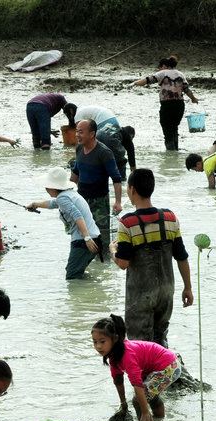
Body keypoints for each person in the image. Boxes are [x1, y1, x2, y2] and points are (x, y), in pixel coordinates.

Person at [110, 169, 193, 347]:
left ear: (131, 190)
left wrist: (112, 251)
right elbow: (181, 257)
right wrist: (188, 287)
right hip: (166, 291)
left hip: (140, 295)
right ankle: (166, 373)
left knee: (140, 347)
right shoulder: (170, 218)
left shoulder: (127, 223)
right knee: (160, 342)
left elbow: (123, 263)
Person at [92, 314, 180, 421]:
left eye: (102, 342)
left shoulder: (127, 355)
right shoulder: (114, 355)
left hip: (169, 367)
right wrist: (123, 406)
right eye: (95, 342)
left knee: (138, 400)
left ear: (115, 338)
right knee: (149, 395)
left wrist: (145, 412)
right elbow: (118, 380)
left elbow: (137, 384)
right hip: (162, 366)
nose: (98, 346)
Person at [25, 167, 101, 279]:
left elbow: (77, 216)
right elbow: (53, 203)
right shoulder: (69, 194)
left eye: (47, 186)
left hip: (84, 241)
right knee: (76, 272)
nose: (46, 189)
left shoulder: (63, 198)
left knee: (72, 277)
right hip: (94, 238)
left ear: (54, 187)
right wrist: (35, 204)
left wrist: (86, 238)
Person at [70, 119, 123, 249]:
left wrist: (118, 202)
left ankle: (104, 264)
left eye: (81, 132)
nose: (77, 135)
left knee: (101, 239)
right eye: (77, 131)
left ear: (92, 134)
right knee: (81, 236)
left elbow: (116, 179)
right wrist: (68, 194)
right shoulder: (79, 149)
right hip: (81, 200)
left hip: (99, 202)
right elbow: (75, 173)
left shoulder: (104, 153)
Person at [131, 55, 197, 150]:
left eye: (161, 66)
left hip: (167, 105)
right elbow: (187, 90)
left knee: (167, 128)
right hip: (179, 105)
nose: (160, 68)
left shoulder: (162, 73)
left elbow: (148, 80)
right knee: (174, 127)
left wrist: (135, 83)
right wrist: (193, 99)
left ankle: (170, 152)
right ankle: (175, 150)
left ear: (165, 65)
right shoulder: (181, 74)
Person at [64, 104, 130, 176]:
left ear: (71, 111)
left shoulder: (77, 116)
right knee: (113, 152)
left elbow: (79, 137)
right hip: (113, 121)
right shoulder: (83, 110)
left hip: (103, 124)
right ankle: (122, 178)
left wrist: (78, 154)